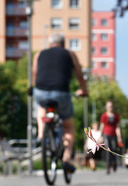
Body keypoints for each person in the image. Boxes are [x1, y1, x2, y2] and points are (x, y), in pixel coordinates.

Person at [31, 32, 88, 173]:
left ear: (50, 43)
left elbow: (34, 74)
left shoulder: (39, 54)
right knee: (68, 126)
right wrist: (83, 90)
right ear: (63, 44)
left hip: (41, 92)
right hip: (61, 93)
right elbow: (79, 74)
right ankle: (67, 158)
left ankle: (40, 132)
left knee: (41, 106)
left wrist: (35, 87)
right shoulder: (69, 54)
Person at [99, 101, 122, 174]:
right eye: (108, 106)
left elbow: (117, 127)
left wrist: (119, 137)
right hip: (106, 134)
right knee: (108, 150)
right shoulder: (104, 116)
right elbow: (102, 126)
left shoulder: (116, 116)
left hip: (114, 135)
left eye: (111, 106)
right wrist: (100, 136)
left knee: (114, 149)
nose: (110, 107)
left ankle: (114, 163)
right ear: (106, 107)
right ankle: (108, 166)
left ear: (113, 107)